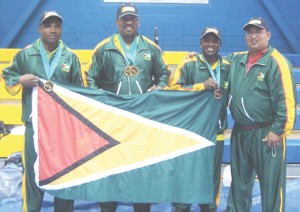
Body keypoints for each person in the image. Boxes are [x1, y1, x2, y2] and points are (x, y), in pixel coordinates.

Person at [85, 3, 170, 212]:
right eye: (124, 19)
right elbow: (90, 77)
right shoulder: (104, 48)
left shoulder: (151, 48)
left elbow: (165, 74)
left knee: (141, 170)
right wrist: (101, 101)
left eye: (132, 18)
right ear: (117, 22)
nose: (128, 22)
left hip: (141, 121)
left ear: (138, 21)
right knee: (111, 170)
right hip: (112, 122)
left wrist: (157, 89)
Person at [2, 11, 83, 212]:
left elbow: (81, 93)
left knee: (64, 176)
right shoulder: (24, 54)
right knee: (32, 175)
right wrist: (20, 81)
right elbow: (7, 76)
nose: (53, 30)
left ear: (61, 29)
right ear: (40, 28)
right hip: (35, 128)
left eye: (57, 26)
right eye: (48, 26)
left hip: (62, 129)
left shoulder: (71, 58)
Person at [225, 17, 296, 212]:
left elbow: (287, 102)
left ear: (268, 35)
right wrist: (195, 58)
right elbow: (215, 64)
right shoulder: (237, 59)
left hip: (267, 134)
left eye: (258, 32)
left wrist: (278, 130)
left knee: (271, 186)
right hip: (240, 133)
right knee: (239, 183)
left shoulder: (277, 62)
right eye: (249, 32)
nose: (253, 36)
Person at [170, 27, 230, 212]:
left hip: (216, 132)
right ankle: (181, 208)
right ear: (200, 43)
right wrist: (200, 86)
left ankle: (209, 208)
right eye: (207, 40)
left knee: (211, 180)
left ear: (220, 43)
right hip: (191, 133)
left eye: (214, 40)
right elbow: (173, 91)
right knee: (185, 176)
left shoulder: (228, 66)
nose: (211, 44)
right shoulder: (188, 64)